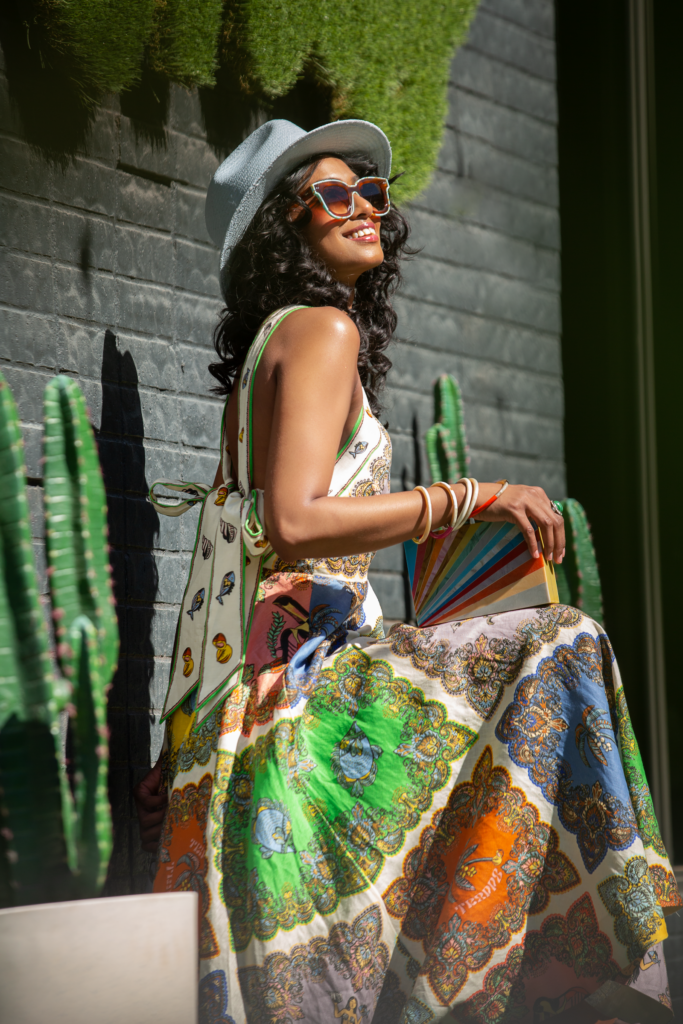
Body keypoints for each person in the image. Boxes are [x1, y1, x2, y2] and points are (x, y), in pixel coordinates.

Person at [134, 118, 680, 1024]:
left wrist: (178, 743)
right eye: (333, 196)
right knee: (563, 642)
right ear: (285, 225)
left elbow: (226, 567)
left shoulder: (275, 344)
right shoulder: (320, 330)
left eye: (372, 193)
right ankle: (590, 953)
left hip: (245, 716)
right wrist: (471, 495)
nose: (363, 208)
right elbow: (295, 520)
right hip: (306, 700)